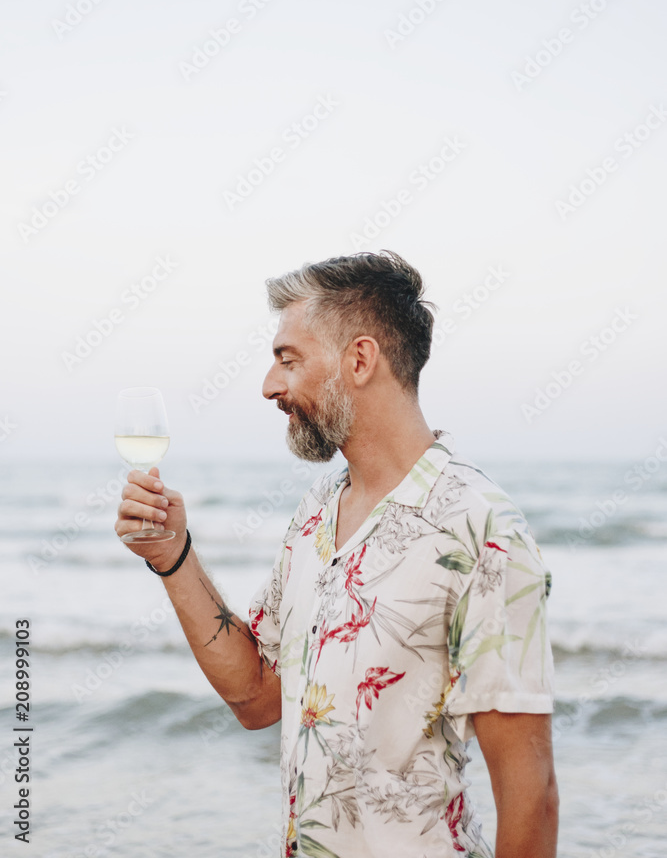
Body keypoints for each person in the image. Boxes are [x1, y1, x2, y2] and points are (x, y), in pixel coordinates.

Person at [115, 250, 559, 857]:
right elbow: (258, 697)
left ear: (360, 359)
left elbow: (529, 794)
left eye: (287, 360)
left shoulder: (479, 529)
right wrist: (173, 554)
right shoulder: (318, 510)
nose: (270, 385)